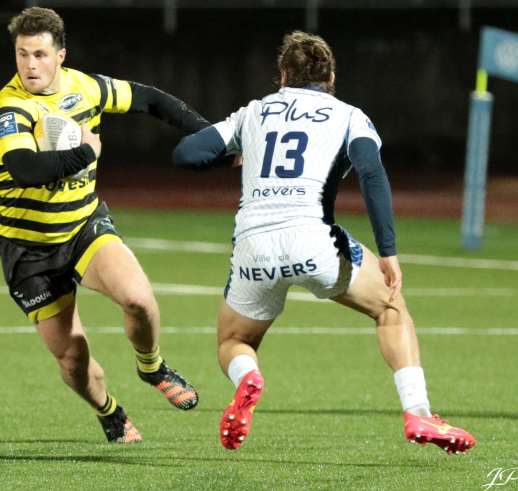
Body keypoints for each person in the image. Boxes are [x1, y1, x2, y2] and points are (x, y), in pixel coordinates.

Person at [173, 31, 476, 454]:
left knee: (233, 341)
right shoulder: (349, 116)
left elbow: (187, 154)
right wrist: (388, 251)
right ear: (331, 78)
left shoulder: (253, 112)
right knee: (391, 309)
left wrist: (237, 154)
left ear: (283, 75)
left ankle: (248, 378)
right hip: (314, 242)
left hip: (253, 246)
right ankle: (418, 412)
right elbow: (372, 175)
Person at [0, 7, 206, 443]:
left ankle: (152, 367)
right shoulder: (10, 106)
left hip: (83, 228)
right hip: (30, 251)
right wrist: (86, 153)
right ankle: (110, 412)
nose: (30, 65)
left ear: (61, 55)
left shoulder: (86, 87)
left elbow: (151, 99)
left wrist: (209, 135)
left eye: (39, 54)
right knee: (73, 358)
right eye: (22, 54)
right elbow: (24, 169)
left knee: (139, 301)